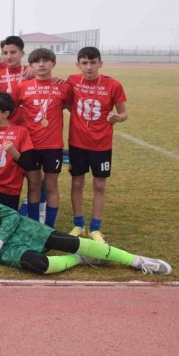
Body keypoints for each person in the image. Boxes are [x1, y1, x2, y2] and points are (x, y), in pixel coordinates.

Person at [0, 173, 172, 276]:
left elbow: (11, 216)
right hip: (0, 249)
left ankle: (137, 261)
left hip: (14, 232)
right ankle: (80, 260)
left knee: (67, 241)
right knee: (40, 266)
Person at [65, 47, 127, 243]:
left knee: (99, 185)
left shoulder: (113, 84)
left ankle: (95, 228)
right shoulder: (72, 81)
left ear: (100, 63)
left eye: (93, 62)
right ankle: (78, 224)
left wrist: (118, 117)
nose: (89, 67)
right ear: (78, 64)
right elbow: (66, 103)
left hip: (101, 143)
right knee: (77, 182)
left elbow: (124, 113)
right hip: (77, 142)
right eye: (84, 63)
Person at [11, 48, 73, 228]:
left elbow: (72, 108)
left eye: (46, 61)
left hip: (53, 145)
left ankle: (49, 227)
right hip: (30, 145)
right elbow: (11, 111)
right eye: (37, 62)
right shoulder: (22, 87)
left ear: (53, 63)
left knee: (51, 185)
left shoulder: (63, 87)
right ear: (30, 65)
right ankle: (34, 225)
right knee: (33, 185)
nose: (41, 64)